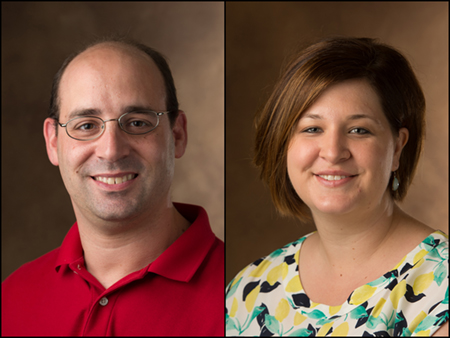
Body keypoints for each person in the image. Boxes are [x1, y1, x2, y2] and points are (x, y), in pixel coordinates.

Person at [226, 37, 448, 336]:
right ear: (283, 143)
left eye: (359, 130)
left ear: (397, 147)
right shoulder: (248, 291)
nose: (332, 152)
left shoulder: (440, 282)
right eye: (312, 128)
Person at [2, 36, 224, 336]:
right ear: (53, 143)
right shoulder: (13, 297)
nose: (111, 150)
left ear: (178, 135)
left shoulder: (243, 295)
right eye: (86, 125)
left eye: (136, 123)